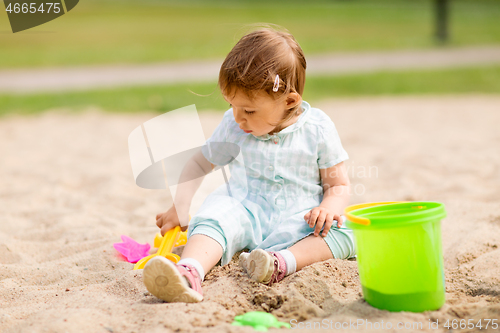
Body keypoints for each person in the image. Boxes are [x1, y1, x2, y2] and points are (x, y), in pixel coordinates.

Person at [143, 26, 355, 303]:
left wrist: (328, 208)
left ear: (289, 101)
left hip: (299, 216)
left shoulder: (317, 128)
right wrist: (180, 207)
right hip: (244, 208)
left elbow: (338, 184)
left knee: (347, 233)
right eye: (232, 105)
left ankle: (282, 263)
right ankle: (190, 270)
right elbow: (198, 163)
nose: (238, 118)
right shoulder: (233, 125)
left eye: (249, 111)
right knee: (213, 218)